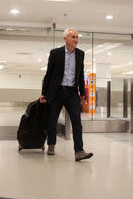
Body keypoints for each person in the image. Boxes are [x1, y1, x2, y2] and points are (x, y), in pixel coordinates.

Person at [39, 28, 93, 161]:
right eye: (73, 37)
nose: (76, 40)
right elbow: (48, 75)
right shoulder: (55, 53)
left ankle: (79, 151)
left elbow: (80, 74)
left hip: (72, 93)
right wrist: (43, 94)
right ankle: (51, 144)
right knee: (52, 120)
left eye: (77, 37)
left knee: (77, 121)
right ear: (65, 39)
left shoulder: (80, 54)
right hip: (56, 92)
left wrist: (82, 93)